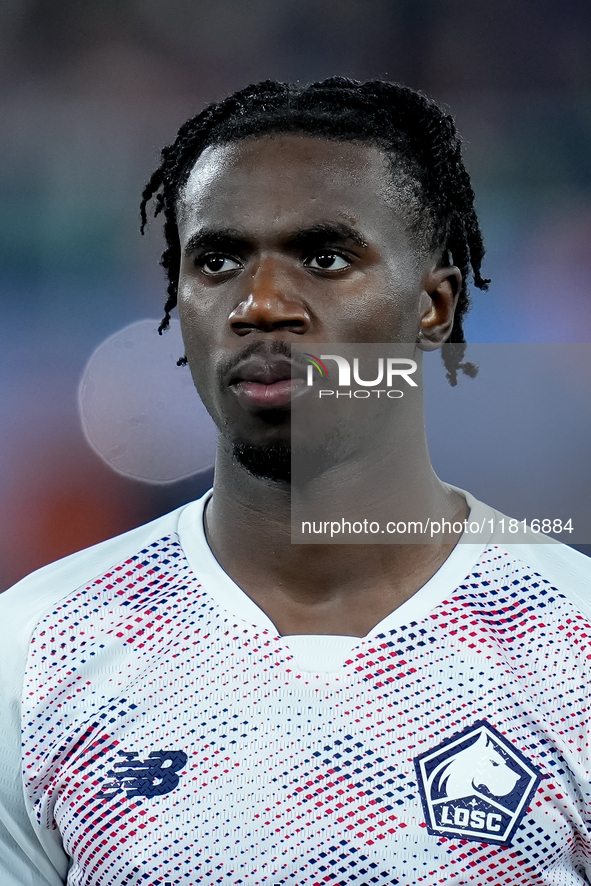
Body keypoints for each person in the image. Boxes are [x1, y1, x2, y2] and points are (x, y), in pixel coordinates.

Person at [1, 78, 590, 886]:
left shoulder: (572, 641)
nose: (262, 303)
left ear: (433, 307)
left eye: (323, 257)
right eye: (216, 260)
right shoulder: (33, 651)